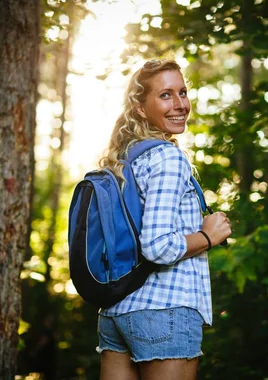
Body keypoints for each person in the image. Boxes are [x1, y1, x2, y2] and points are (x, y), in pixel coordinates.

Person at [96, 59, 232, 380]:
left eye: (182, 92)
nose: (180, 104)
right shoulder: (168, 158)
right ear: (141, 109)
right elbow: (157, 247)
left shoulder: (123, 160)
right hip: (164, 310)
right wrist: (208, 236)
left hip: (116, 310)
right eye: (166, 95)